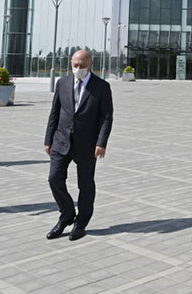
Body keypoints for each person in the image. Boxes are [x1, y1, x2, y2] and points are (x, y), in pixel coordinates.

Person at [44, 50, 113, 241]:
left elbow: (107, 117)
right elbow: (54, 112)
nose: (78, 68)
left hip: (87, 143)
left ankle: (81, 222)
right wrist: (48, 139)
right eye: (75, 65)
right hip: (61, 140)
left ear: (91, 64)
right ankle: (66, 213)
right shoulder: (63, 83)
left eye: (82, 65)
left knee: (86, 184)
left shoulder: (101, 86)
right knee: (54, 178)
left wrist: (101, 142)